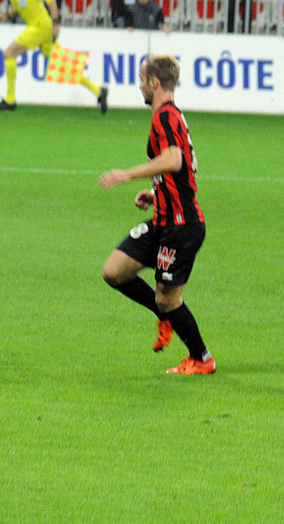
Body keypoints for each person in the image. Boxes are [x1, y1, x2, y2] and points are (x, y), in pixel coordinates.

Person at [98, 55, 215, 376]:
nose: (139, 86)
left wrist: (127, 174)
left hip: (181, 225)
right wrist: (156, 192)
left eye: (142, 80)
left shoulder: (165, 117)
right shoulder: (170, 117)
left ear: (154, 83)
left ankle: (202, 358)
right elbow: (184, 168)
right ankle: (164, 317)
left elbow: (174, 160)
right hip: (164, 218)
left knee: (168, 299)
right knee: (114, 272)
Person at [0, 0, 108, 112]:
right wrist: (7, 15)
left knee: (9, 53)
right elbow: (19, 5)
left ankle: (10, 100)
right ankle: (98, 91)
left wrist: (55, 23)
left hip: (42, 26)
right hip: (37, 27)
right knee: (61, 65)